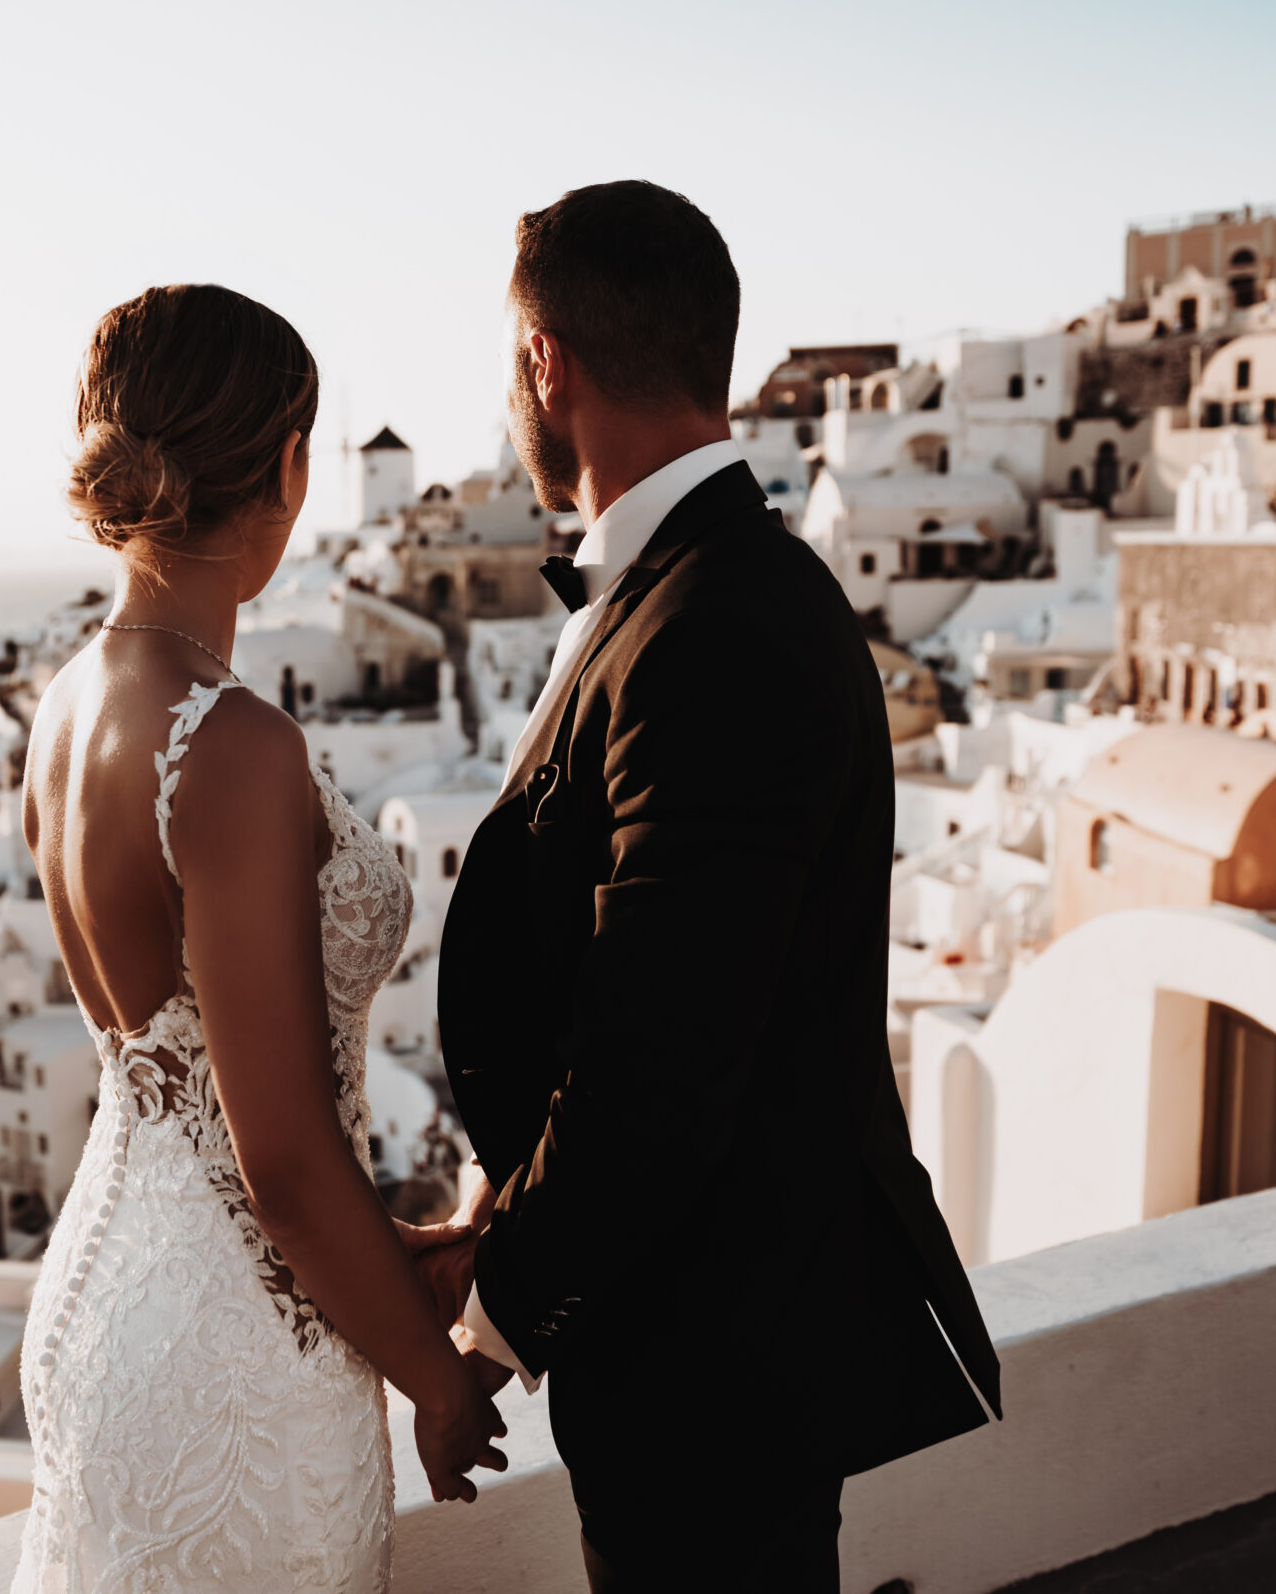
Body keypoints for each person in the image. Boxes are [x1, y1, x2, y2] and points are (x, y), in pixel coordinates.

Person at [419, 182, 1004, 1591]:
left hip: (713, 1355)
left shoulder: (719, 621)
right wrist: (495, 1223)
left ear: (546, 359)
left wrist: (495, 1316)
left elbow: (662, 1050)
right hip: (695, 1330)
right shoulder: (691, 592)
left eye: (512, 364)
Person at [11, 284, 505, 1594]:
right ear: (291, 465)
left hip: (109, 1300)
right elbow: (277, 1155)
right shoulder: (229, 743)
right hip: (234, 1353)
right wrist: (436, 1380)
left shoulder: (66, 704)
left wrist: (380, 1256)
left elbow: (186, 1081)